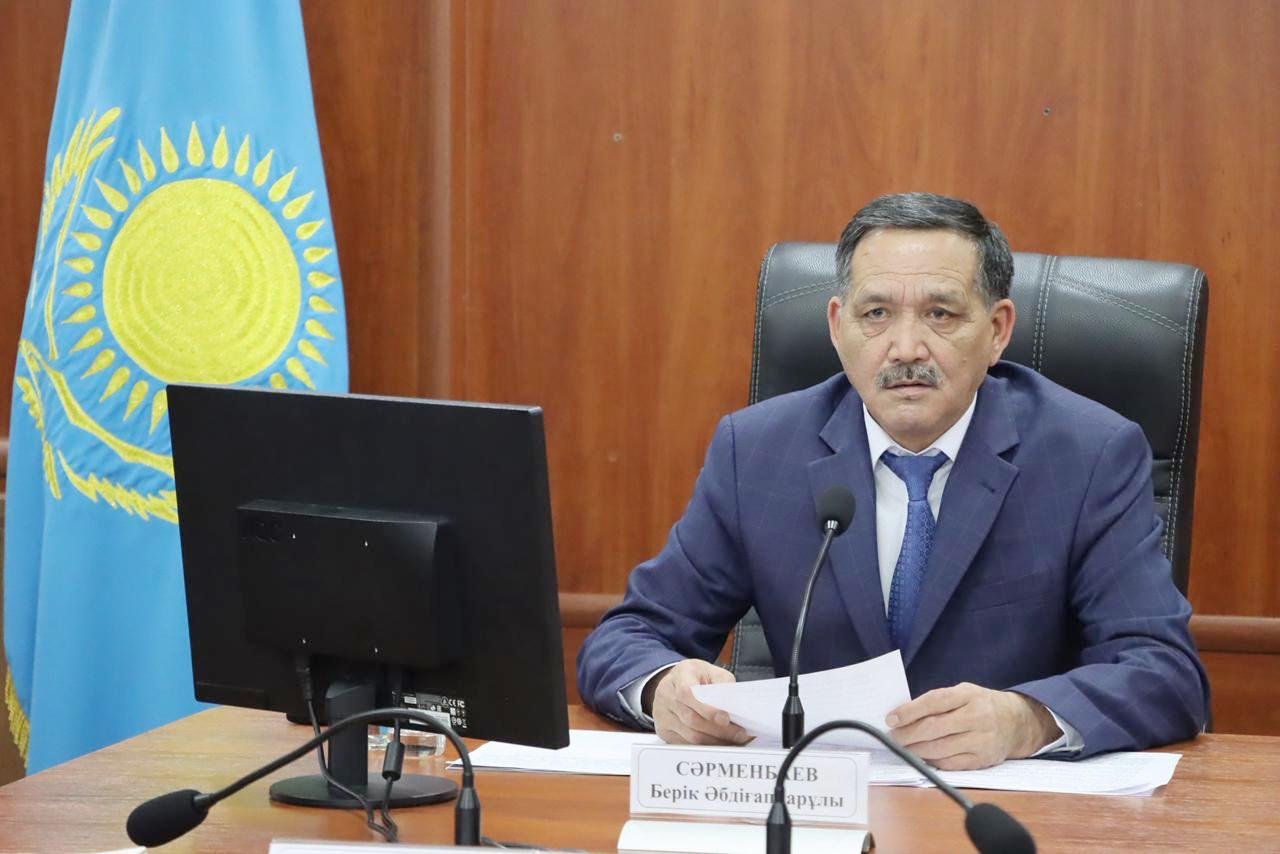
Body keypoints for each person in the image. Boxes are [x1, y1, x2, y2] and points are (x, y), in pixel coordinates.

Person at [577, 192, 1209, 770]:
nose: (907, 348)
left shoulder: (1089, 454)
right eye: (876, 313)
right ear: (837, 326)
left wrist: (1025, 721)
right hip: (818, 804)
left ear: (997, 331)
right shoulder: (758, 452)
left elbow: (1164, 671)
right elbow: (629, 638)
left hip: (1009, 809)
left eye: (941, 314)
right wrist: (664, 689)